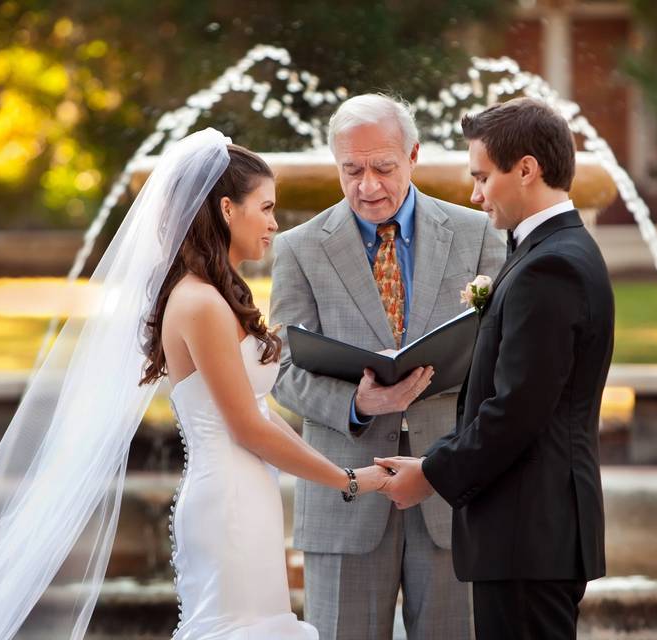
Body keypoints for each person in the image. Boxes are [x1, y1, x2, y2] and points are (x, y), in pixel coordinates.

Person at [0, 128, 387, 640]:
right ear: (227, 210)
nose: (274, 223)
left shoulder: (215, 294)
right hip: (228, 506)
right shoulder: (201, 303)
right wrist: (351, 481)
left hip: (246, 497)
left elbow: (260, 414)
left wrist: (348, 464)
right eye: (266, 208)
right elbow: (248, 428)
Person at [377, 97, 615, 640]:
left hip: (528, 533)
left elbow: (517, 411)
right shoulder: (552, 252)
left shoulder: (550, 266)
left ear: (526, 169)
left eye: (483, 177)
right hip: (529, 534)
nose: (475, 194)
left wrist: (430, 474)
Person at [270, 94, 506, 639]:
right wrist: (356, 403)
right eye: (351, 170)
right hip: (345, 493)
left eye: (383, 168)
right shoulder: (299, 249)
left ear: (414, 155)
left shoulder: (475, 235)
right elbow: (281, 368)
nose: (367, 186)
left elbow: (502, 354)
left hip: (451, 490)